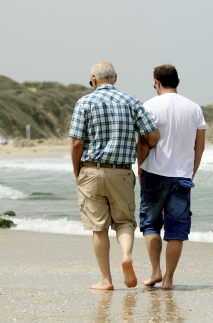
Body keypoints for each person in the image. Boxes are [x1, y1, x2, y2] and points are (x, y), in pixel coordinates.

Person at [69, 61, 160, 290]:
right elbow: (153, 136)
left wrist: (77, 171)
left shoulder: (84, 102)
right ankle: (126, 256)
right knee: (124, 221)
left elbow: (77, 142)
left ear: (93, 79)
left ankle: (106, 280)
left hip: (92, 169)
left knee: (98, 227)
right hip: (121, 171)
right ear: (115, 78)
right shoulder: (131, 101)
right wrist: (142, 155)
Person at [137, 64, 208, 289]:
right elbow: (200, 147)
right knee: (176, 231)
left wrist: (140, 169)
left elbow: (143, 143)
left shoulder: (149, 106)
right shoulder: (194, 108)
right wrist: (192, 172)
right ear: (177, 82)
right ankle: (168, 279)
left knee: (151, 226)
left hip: (154, 173)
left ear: (157, 83)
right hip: (182, 177)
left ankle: (155, 271)